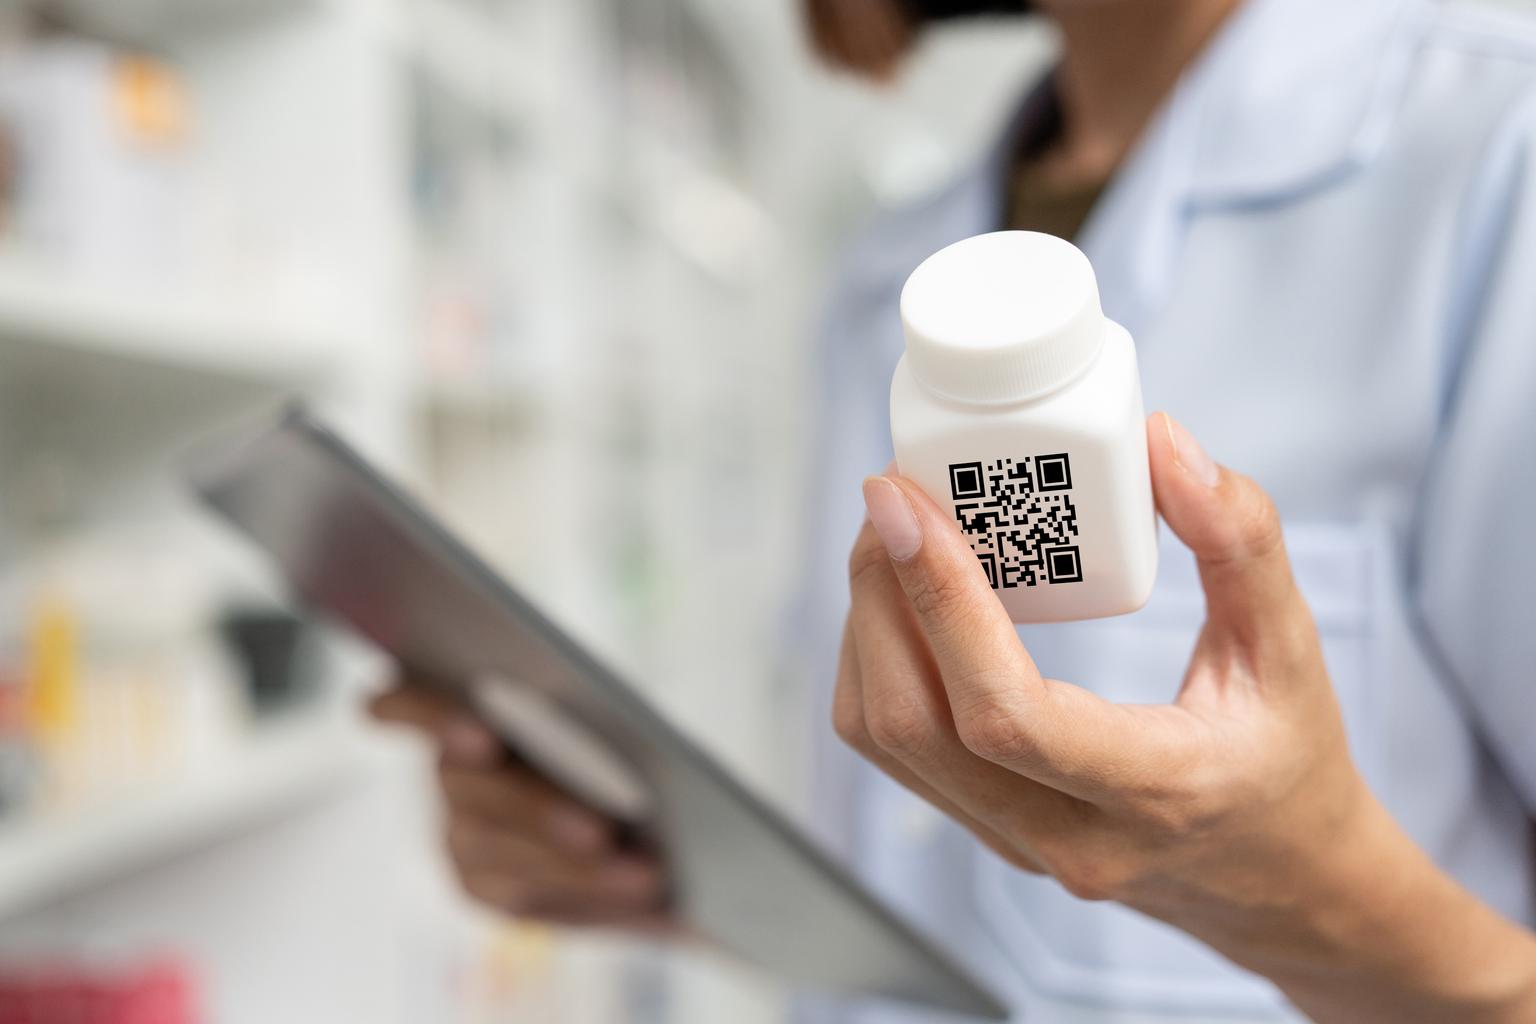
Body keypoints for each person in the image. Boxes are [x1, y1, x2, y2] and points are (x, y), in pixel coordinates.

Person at [373, 0, 1536, 1019]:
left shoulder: (1498, 149)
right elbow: (906, 864)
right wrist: (652, 868)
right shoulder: (887, 272)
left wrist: (1316, 898)